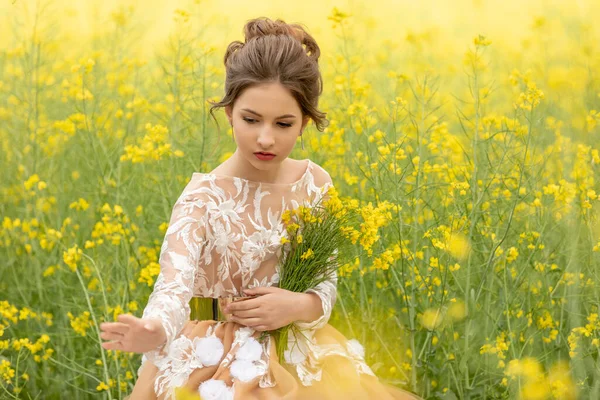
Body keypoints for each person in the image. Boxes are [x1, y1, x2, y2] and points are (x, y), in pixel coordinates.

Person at [99, 17, 421, 400]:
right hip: (210, 355)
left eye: (283, 123)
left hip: (293, 348)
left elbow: (325, 285)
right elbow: (173, 287)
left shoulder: (315, 184)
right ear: (230, 111)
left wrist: (298, 305)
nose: (265, 138)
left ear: (304, 123)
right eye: (251, 120)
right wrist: (155, 328)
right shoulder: (203, 196)